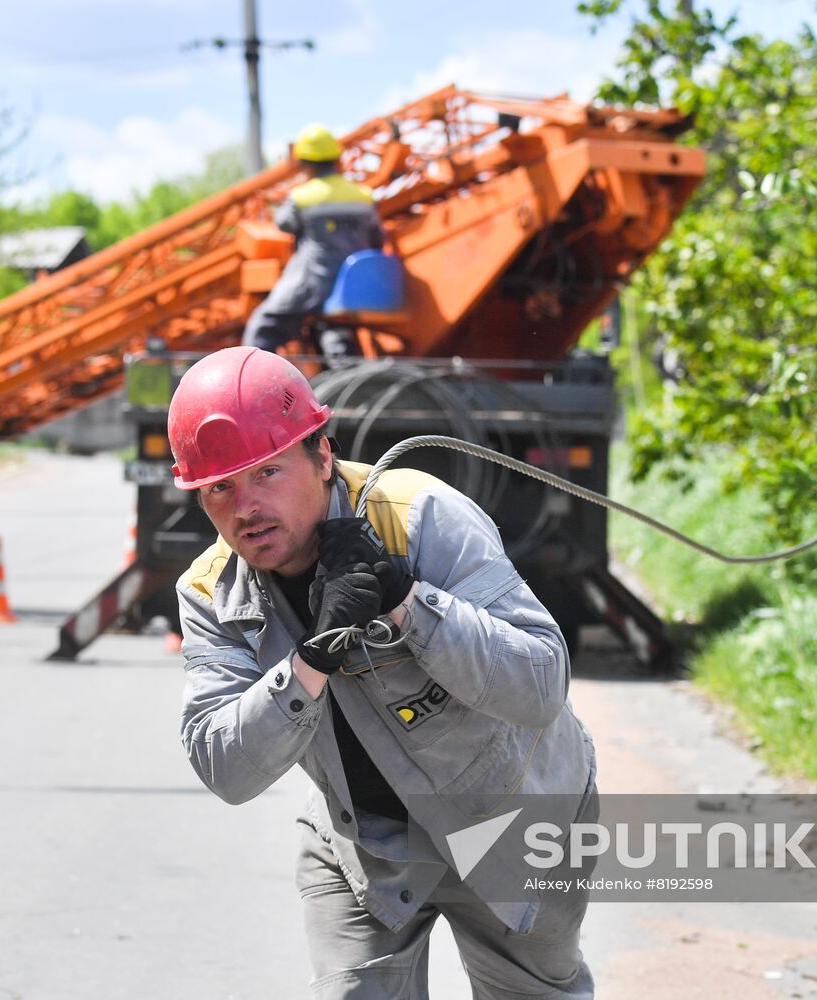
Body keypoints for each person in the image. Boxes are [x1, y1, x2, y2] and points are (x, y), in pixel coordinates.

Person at [172, 346, 598, 999]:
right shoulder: (211, 591)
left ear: (321, 456)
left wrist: (405, 600)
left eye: (266, 473)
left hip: (512, 818)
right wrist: (311, 660)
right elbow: (225, 768)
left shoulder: (418, 515)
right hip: (366, 845)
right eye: (219, 488)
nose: (244, 507)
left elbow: (539, 685)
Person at [241, 124, 385, 361]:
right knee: (331, 332)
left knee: (263, 326)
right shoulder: (364, 196)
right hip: (354, 286)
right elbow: (377, 240)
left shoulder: (302, 197)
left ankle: (251, 380)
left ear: (305, 163)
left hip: (312, 284)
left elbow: (283, 224)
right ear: (336, 158)